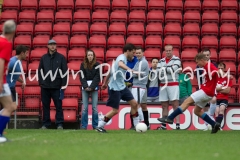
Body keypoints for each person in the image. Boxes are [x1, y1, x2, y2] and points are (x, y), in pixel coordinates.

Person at [158, 53, 221, 134]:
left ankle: (170, 118)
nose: (197, 64)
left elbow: (217, 71)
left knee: (186, 102)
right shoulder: (206, 66)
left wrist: (221, 73)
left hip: (206, 91)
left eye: (198, 62)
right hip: (209, 94)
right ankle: (214, 124)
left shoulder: (209, 66)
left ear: (202, 60)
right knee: (197, 111)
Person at [96, 43, 139, 133]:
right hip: (115, 88)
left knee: (134, 104)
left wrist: (105, 82)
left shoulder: (123, 59)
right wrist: (130, 70)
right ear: (128, 51)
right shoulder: (122, 58)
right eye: (133, 52)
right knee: (115, 111)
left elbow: (111, 71)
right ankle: (100, 126)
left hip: (122, 86)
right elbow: (120, 64)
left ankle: (137, 126)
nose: (133, 55)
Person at [38, 39, 68, 130]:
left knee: (58, 106)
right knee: (45, 106)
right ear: (47, 46)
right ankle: (46, 124)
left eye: (54, 44)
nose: (52, 46)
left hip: (57, 86)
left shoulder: (61, 57)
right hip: (45, 87)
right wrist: (41, 83)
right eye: (51, 44)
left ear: (56, 46)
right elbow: (40, 71)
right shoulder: (43, 58)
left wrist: (63, 84)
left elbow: (65, 72)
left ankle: (59, 124)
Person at [157, 44, 181, 130]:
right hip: (163, 84)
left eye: (169, 50)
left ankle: (178, 125)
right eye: (166, 50)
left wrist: (164, 69)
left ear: (172, 50)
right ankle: (163, 125)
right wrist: (168, 69)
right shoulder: (161, 61)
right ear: (164, 51)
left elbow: (174, 69)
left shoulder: (177, 59)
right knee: (164, 105)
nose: (168, 52)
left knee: (175, 104)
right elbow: (158, 71)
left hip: (173, 84)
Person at [0, 20, 17, 143]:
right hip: (2, 80)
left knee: (9, 106)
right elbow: (1, 62)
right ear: (13, 31)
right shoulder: (6, 43)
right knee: (10, 106)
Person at [0, 45, 28, 115]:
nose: (27, 55)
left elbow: (14, 75)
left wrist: (22, 81)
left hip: (11, 87)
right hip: (6, 87)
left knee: (13, 107)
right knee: (11, 107)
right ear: (22, 53)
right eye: (26, 53)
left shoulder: (19, 61)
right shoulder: (12, 62)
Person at [197, 49, 217, 130]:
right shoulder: (199, 65)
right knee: (204, 107)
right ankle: (207, 125)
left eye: (207, 55)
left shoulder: (213, 64)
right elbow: (198, 77)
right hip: (203, 87)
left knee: (213, 100)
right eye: (204, 55)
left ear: (210, 55)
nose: (206, 56)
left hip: (212, 87)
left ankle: (212, 121)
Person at [79, 50, 100, 130]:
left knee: (94, 107)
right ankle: (84, 126)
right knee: (85, 108)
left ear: (93, 56)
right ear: (86, 56)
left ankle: (95, 125)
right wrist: (85, 86)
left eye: (91, 55)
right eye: (89, 55)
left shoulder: (97, 65)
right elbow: (82, 76)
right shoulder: (82, 65)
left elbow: (97, 77)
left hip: (94, 88)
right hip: (85, 88)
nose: (90, 56)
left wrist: (91, 87)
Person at [131, 47, 150, 128]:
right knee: (136, 105)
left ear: (143, 53)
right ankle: (140, 123)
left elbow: (135, 73)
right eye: (137, 53)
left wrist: (133, 72)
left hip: (140, 86)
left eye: (139, 53)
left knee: (137, 105)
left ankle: (142, 123)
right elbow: (134, 72)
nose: (138, 54)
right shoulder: (138, 62)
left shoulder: (143, 62)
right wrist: (134, 72)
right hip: (136, 86)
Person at [215, 62, 232, 127]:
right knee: (217, 111)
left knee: (221, 109)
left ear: (224, 69)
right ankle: (217, 127)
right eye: (219, 68)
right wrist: (223, 88)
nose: (220, 70)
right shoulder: (215, 78)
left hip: (224, 98)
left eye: (221, 68)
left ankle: (218, 125)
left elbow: (228, 91)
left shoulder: (228, 78)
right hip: (216, 98)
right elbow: (213, 89)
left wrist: (218, 89)